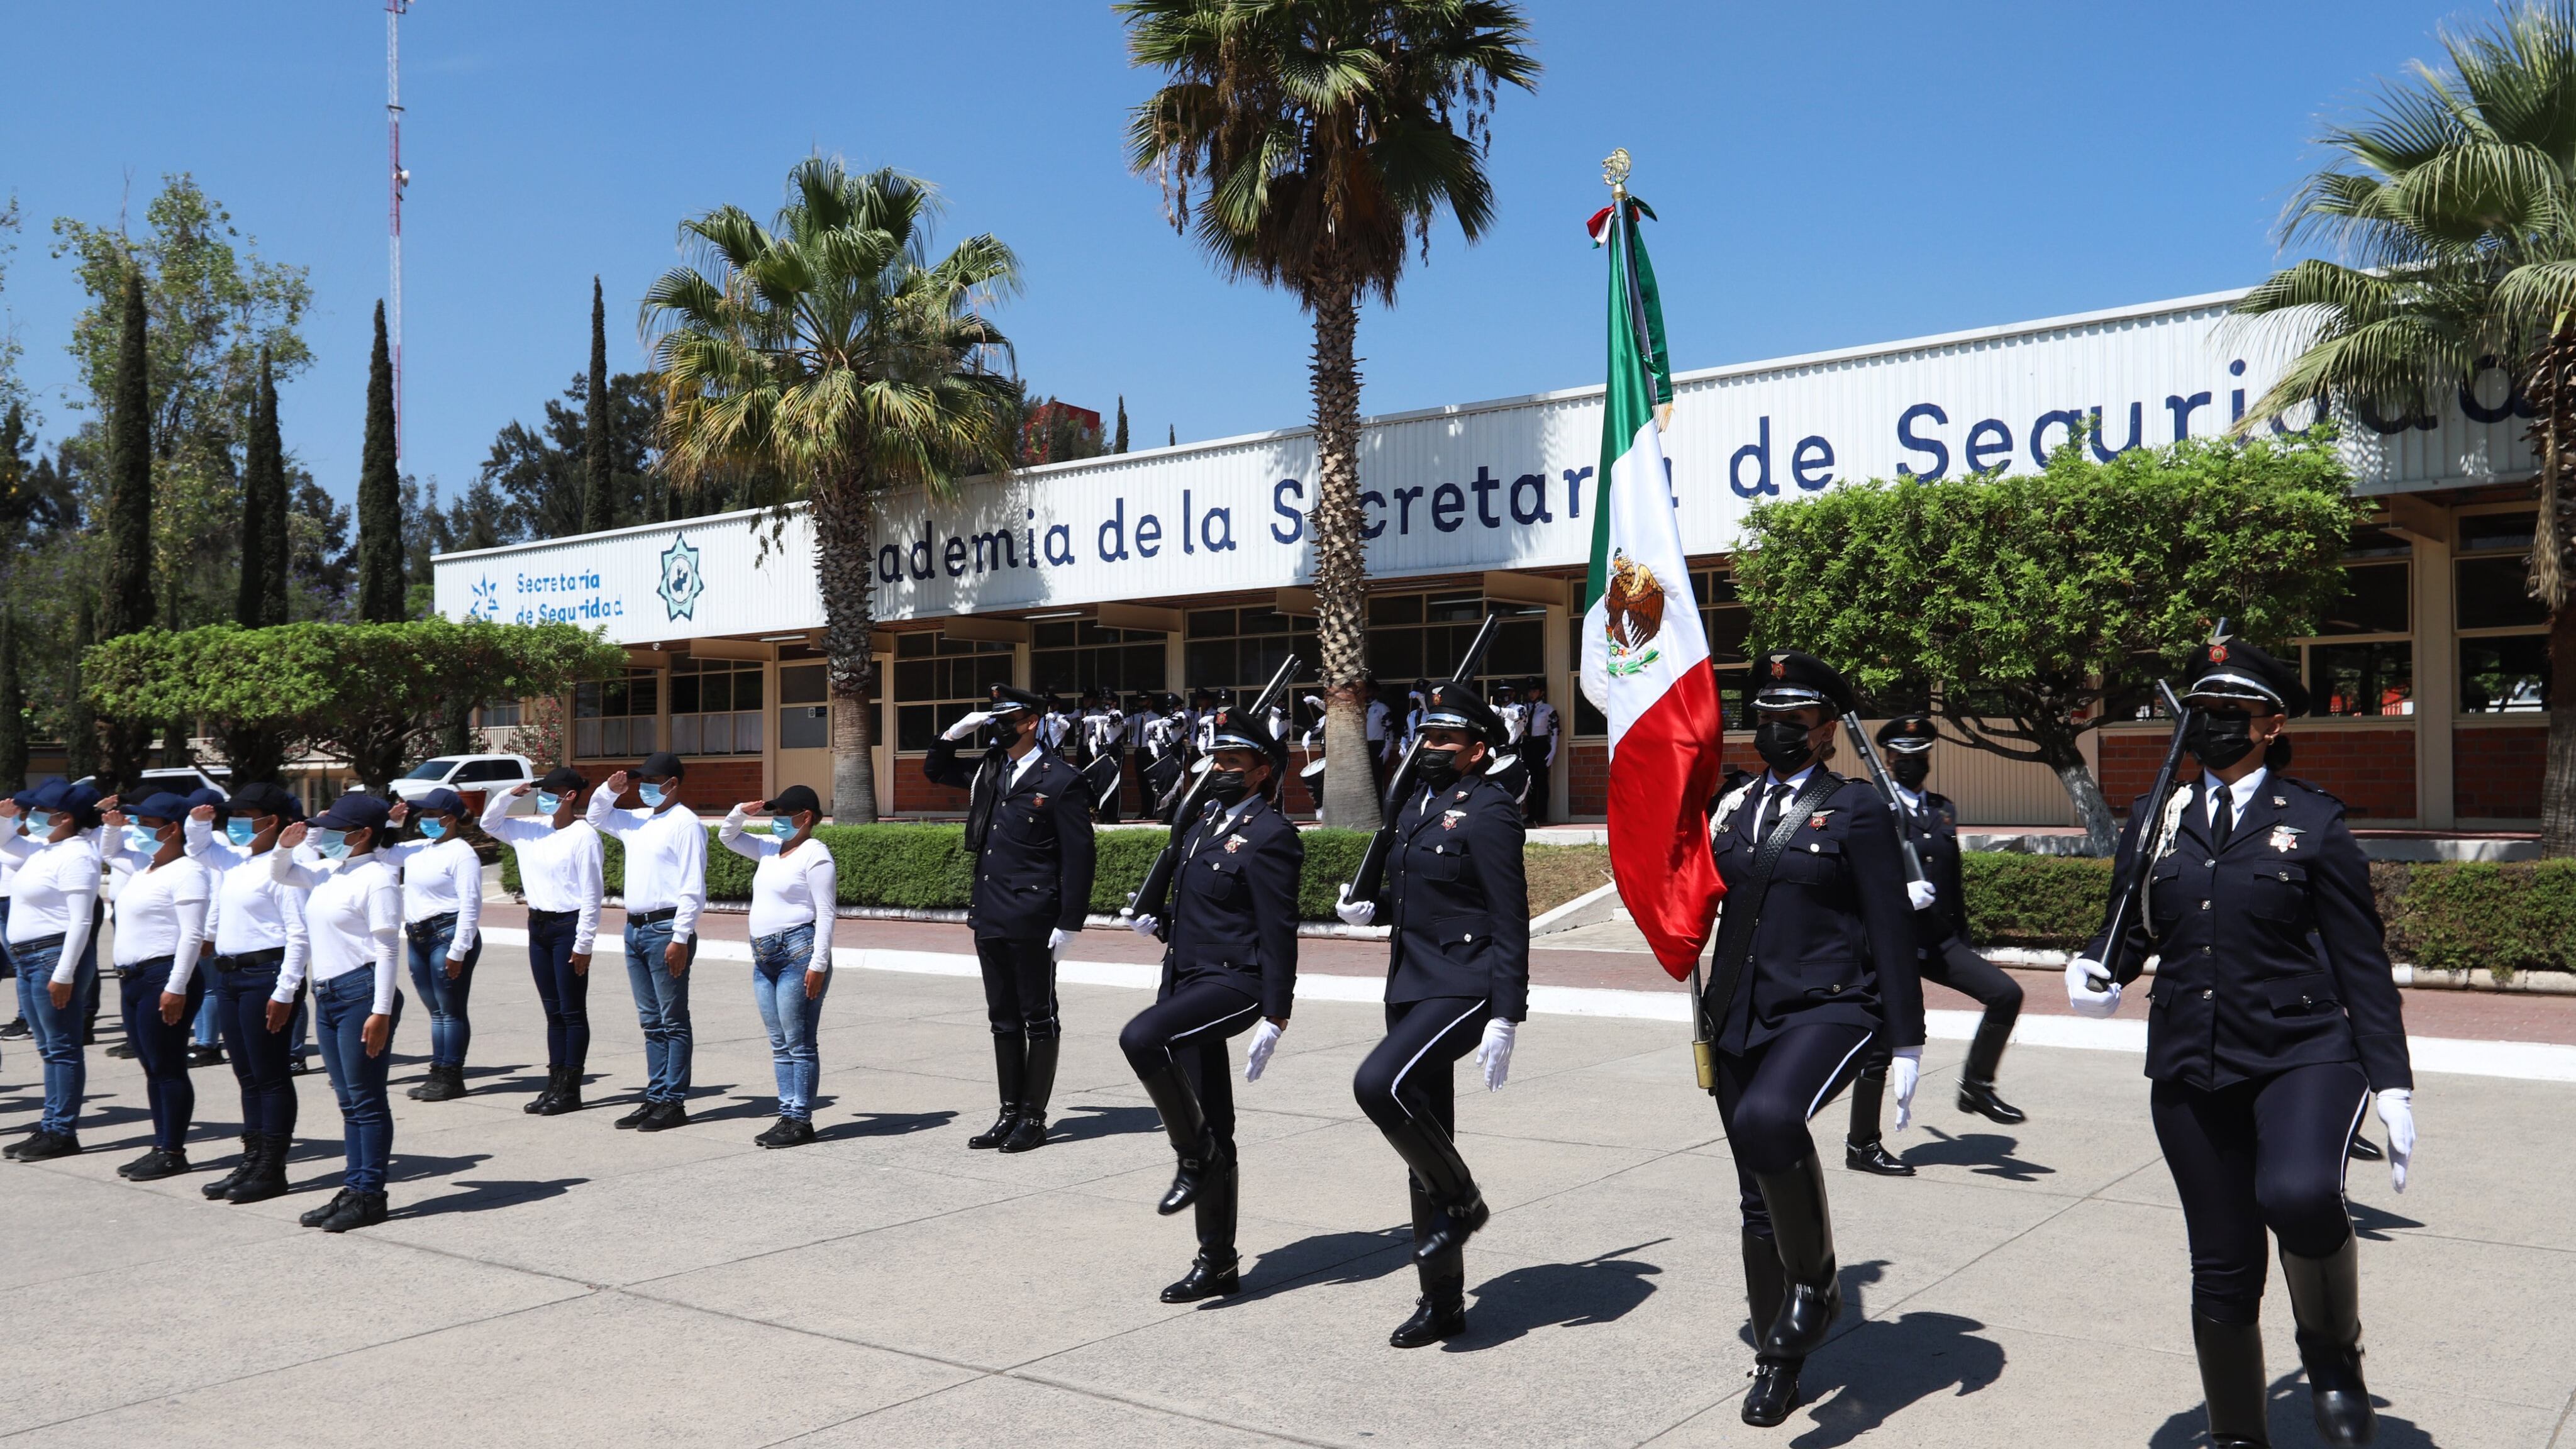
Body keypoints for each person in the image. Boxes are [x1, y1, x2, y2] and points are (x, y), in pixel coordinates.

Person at [2068, 638, 2415, 1449]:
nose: (2213, 724)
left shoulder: (2313, 820)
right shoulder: (2158, 817)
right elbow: (2132, 925)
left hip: (2303, 1049)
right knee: (2221, 1261)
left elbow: (2361, 962)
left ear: (2271, 724)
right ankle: (2234, 1434)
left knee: (2297, 1194)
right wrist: (2096, 969)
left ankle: (2332, 1357)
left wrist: (2391, 1081)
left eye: (2232, 711)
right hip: (2191, 1055)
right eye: (2202, 710)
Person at [1702, 652, 1924, 1426]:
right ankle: (1778, 1362)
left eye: (1793, 719)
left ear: (1827, 728)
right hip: (1737, 1012)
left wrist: (1907, 1039)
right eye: (1766, 718)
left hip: (1826, 1007)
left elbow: (1890, 926)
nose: (1777, 730)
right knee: (1754, 1194)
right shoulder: (1734, 806)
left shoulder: (1855, 808)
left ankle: (1817, 1285)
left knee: (1770, 1119)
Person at [1333, 679, 1529, 1348]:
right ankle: (1442, 1301)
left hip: (1464, 984)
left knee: (1377, 1085)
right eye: (1428, 737)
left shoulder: (1491, 810)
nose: (1432, 748)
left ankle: (1464, 1200)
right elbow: (1421, 895)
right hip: (1411, 984)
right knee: (1425, 1138)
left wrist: (1507, 1012)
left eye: (1447, 740)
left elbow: (1508, 917)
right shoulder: (1418, 803)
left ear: (1477, 750)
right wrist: (1374, 908)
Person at [1121, 706, 1301, 1302]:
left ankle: (1191, 1158)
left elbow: (1277, 929)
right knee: (1214, 1121)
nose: (1220, 769)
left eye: (1232, 761)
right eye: (1216, 759)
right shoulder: (1200, 824)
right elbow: (1208, 912)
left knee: (1142, 1037)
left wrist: (1277, 1011)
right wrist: (1160, 922)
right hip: (1185, 981)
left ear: (1261, 772)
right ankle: (1217, 1262)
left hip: (1234, 984)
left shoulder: (1272, 836)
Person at [1845, 716, 2028, 1175]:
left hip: (1937, 938)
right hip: (1890, 942)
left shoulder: (1942, 809)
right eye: (1903, 757)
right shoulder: (1870, 806)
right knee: (1882, 1043)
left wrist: (1961, 939)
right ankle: (1862, 1144)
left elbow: (1953, 879)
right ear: (1888, 759)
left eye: (1920, 755)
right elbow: (1850, 876)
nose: (1913, 763)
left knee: (2005, 993)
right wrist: (1896, 894)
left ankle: (1977, 1086)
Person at [923, 684, 1097, 1153]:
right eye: (994, 720)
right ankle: (1008, 1113)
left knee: (1037, 1016)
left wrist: (1070, 923)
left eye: (1007, 720)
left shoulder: (1061, 780)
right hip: (990, 911)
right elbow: (935, 770)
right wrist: (953, 733)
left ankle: (1033, 1118)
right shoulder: (991, 768)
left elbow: (1080, 858)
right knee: (1002, 1018)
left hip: (1033, 916)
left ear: (1031, 723)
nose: (998, 728)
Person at [270, 794, 404, 1231]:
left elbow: (387, 949)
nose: (324, 835)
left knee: (366, 1100)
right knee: (348, 1101)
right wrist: (285, 846)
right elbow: (282, 873)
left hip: (361, 994)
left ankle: (371, 1195)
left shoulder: (378, 879)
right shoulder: (331, 872)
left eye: (334, 829)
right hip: (328, 994)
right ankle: (354, 1187)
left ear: (363, 833)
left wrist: (381, 1012)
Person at [182, 783, 309, 1203]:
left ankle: (272, 1168)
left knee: (271, 1076)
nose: (234, 823)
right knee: (247, 1075)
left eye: (243, 816)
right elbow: (198, 848)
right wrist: (198, 821)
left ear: (272, 821)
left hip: (266, 976)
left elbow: (298, 935)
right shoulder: (237, 860)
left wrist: (286, 990)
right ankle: (251, 1159)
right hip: (231, 977)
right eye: (231, 816)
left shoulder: (284, 868)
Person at [97, 792, 216, 1180]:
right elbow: (110, 852)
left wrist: (177, 986)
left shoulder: (188, 871)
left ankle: (172, 1151)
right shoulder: (144, 866)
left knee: (167, 1066)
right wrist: (113, 827)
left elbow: (192, 934)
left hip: (163, 977)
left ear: (172, 829)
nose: (140, 830)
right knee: (152, 1067)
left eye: (147, 824)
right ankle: (161, 1144)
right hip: (133, 979)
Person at [587, 752, 708, 1132]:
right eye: (643, 781)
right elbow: (596, 817)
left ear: (673, 783)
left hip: (666, 930)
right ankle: (655, 1097)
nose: (645, 788)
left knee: (673, 1022)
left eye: (653, 782)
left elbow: (693, 887)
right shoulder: (638, 820)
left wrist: (681, 937)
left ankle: (673, 1102)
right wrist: (610, 790)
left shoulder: (686, 824)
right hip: (635, 929)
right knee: (652, 1023)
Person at [719, 785, 836, 1148]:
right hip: (764, 958)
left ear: (806, 817)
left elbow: (826, 913)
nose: (777, 820)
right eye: (774, 814)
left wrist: (818, 964)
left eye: (784, 814)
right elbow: (727, 837)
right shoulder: (770, 847)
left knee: (799, 1043)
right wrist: (740, 811)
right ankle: (787, 1115)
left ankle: (800, 1120)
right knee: (779, 1043)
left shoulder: (816, 855)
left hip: (799, 956)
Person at [483, 768, 603, 1116]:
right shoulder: (530, 829)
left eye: (552, 791)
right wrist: (509, 795)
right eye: (543, 791)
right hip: (538, 927)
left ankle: (570, 1090)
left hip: (568, 928)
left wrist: (584, 944)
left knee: (571, 1011)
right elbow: (489, 823)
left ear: (570, 796)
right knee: (553, 1012)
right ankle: (554, 1084)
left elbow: (592, 895)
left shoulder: (584, 836)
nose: (545, 797)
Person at [1, 781, 104, 1160]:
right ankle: (50, 1125)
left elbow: (81, 921)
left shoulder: (78, 855)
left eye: (41, 811)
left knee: (62, 1048)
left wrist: (64, 974)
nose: (32, 816)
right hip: (30, 959)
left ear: (66, 818)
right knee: (48, 1048)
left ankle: (62, 1131)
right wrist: (5, 818)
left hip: (53, 958)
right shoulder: (45, 848)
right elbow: (6, 842)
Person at [386, 789, 484, 1102]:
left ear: (450, 818)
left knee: (450, 1011)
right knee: (437, 1012)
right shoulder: (417, 848)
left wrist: (459, 950)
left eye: (431, 815)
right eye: (423, 814)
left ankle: (450, 1076)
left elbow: (471, 905)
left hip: (448, 935)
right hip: (419, 937)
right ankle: (438, 1072)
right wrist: (391, 823)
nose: (423, 820)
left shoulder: (462, 853)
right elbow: (381, 853)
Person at [1521, 679, 1558, 826]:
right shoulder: (1524, 709)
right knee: (1529, 781)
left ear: (1541, 692)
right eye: (1530, 691)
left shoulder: (1547, 709)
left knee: (1541, 781)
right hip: (1527, 745)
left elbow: (1555, 730)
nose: (1532, 694)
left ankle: (1541, 814)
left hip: (1541, 745)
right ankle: (1531, 814)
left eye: (1535, 691)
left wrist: (1553, 750)